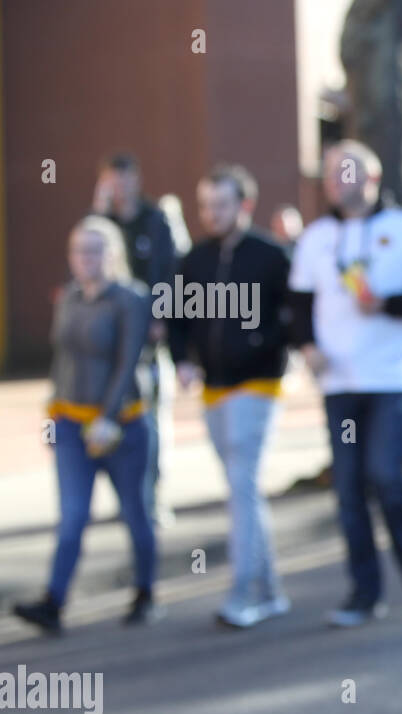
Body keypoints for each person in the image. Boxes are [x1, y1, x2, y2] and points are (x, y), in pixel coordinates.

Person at [287, 140, 402, 627]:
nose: (337, 180)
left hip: (388, 377)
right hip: (338, 382)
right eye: (331, 173)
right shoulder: (316, 238)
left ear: (372, 179)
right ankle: (364, 590)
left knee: (384, 475)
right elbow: (296, 305)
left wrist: (389, 304)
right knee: (348, 488)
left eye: (348, 171)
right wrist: (308, 348)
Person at [12, 217, 157, 634]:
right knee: (73, 516)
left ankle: (145, 593)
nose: (85, 259)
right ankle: (53, 602)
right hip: (72, 424)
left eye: (94, 250)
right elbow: (63, 360)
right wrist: (52, 413)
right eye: (78, 250)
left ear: (112, 254)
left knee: (135, 512)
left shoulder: (130, 298)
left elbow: (128, 361)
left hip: (121, 427)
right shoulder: (70, 297)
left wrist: (108, 418)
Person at [171, 165, 293, 628]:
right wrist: (182, 357)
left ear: (244, 204)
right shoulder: (195, 259)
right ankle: (271, 588)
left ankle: (244, 592)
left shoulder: (269, 255)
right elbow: (176, 314)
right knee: (242, 489)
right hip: (213, 387)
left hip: (257, 384)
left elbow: (293, 314)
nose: (210, 214)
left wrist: (270, 346)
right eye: (204, 205)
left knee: (242, 484)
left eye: (220, 204)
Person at [92, 153, 177, 528]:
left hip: (145, 342)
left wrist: (161, 316)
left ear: (136, 181)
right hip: (108, 340)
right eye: (112, 180)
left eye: (125, 179)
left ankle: (152, 495)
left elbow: (168, 272)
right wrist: (96, 212)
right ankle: (127, 497)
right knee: (111, 414)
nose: (120, 188)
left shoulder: (155, 221)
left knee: (150, 417)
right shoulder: (99, 225)